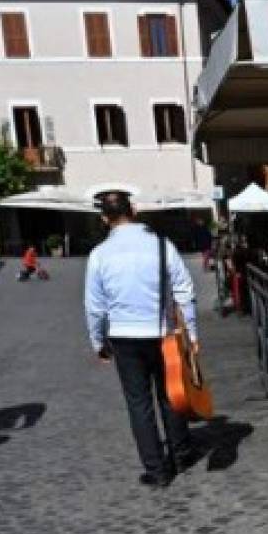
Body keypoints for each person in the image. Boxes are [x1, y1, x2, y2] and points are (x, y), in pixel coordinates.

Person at [84, 191, 199, 488]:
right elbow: (184, 290)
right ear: (133, 210)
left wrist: (98, 342)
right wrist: (192, 334)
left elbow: (94, 307)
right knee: (169, 393)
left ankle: (157, 470)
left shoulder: (99, 255)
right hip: (160, 332)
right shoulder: (161, 246)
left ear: (104, 218)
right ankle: (181, 453)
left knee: (139, 404)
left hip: (123, 337)